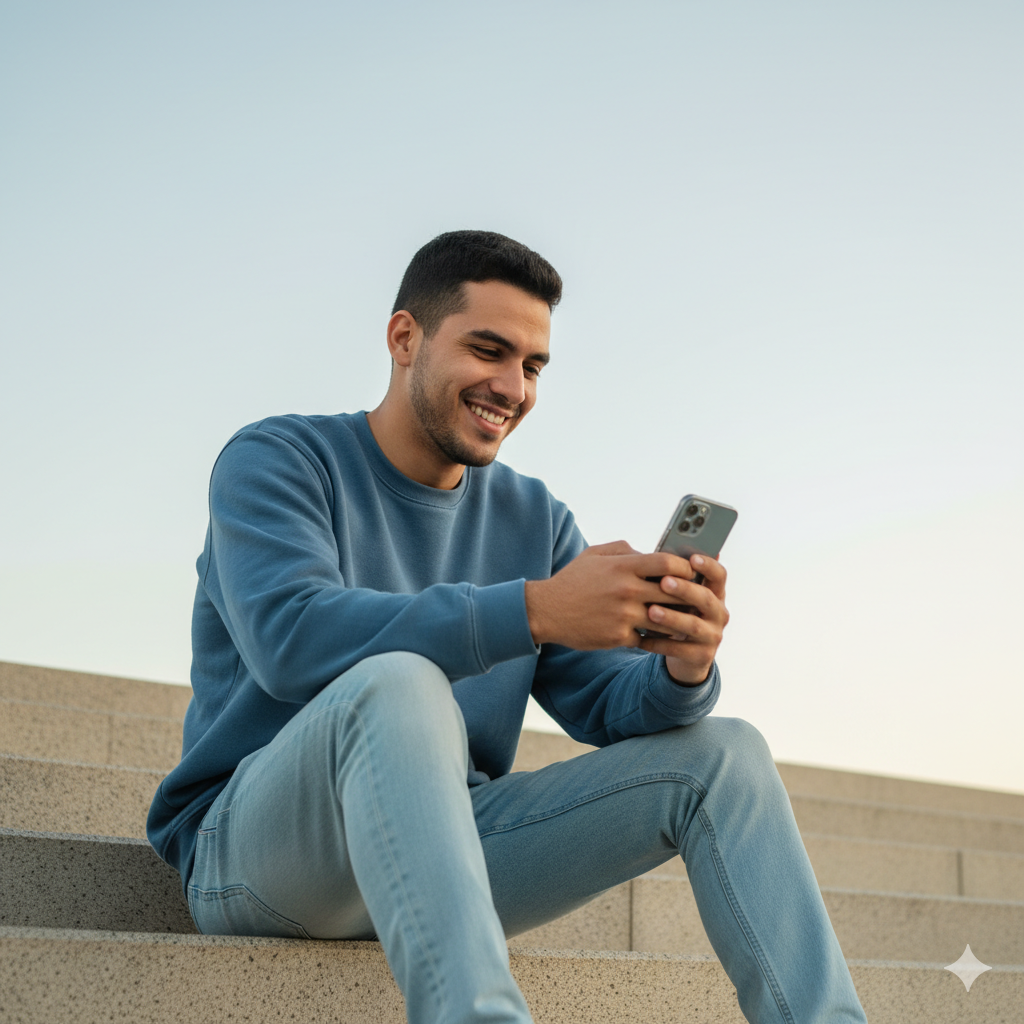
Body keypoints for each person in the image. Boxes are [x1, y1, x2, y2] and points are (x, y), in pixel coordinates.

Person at [147, 230, 867, 1024]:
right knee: (400, 681)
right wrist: (534, 608)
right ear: (403, 338)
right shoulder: (278, 458)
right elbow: (291, 639)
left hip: (451, 845)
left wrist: (681, 668)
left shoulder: (533, 516)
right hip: (256, 853)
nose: (513, 387)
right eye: (488, 350)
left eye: (532, 366)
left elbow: (608, 709)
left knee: (726, 754)